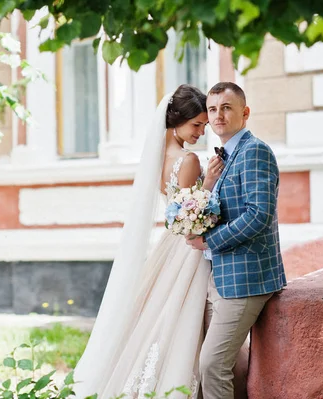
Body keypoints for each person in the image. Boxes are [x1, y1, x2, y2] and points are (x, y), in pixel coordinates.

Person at [73, 84, 223, 398]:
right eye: (196, 125)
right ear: (176, 120)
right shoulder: (189, 160)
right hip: (186, 247)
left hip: (167, 243)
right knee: (180, 317)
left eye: (203, 126)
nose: (200, 132)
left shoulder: (156, 157)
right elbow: (189, 213)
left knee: (157, 314)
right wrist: (209, 180)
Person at [187, 82, 287, 399]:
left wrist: (210, 240)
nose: (218, 115)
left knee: (212, 364)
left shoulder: (254, 151)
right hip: (221, 275)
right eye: (213, 109)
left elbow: (258, 215)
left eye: (226, 108)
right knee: (225, 364)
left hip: (247, 279)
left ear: (244, 113)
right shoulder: (225, 156)